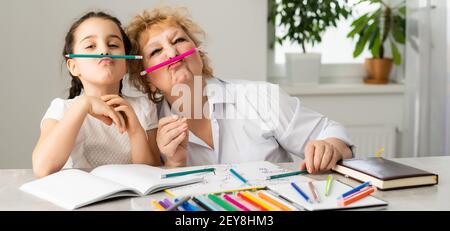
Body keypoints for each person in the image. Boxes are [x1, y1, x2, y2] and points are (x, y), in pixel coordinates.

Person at [126, 7, 354, 173]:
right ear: (147, 81)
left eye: (178, 40)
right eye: (156, 51)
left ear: (199, 54)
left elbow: (330, 133)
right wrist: (173, 164)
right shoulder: (149, 130)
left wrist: (331, 147)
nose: (172, 53)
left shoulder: (261, 97)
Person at [32, 12, 161, 178]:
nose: (104, 50)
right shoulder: (62, 109)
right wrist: (84, 105)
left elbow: (152, 174)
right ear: (73, 66)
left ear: (126, 63)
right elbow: (42, 168)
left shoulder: (144, 107)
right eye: (90, 46)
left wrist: (135, 131)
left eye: (113, 45)